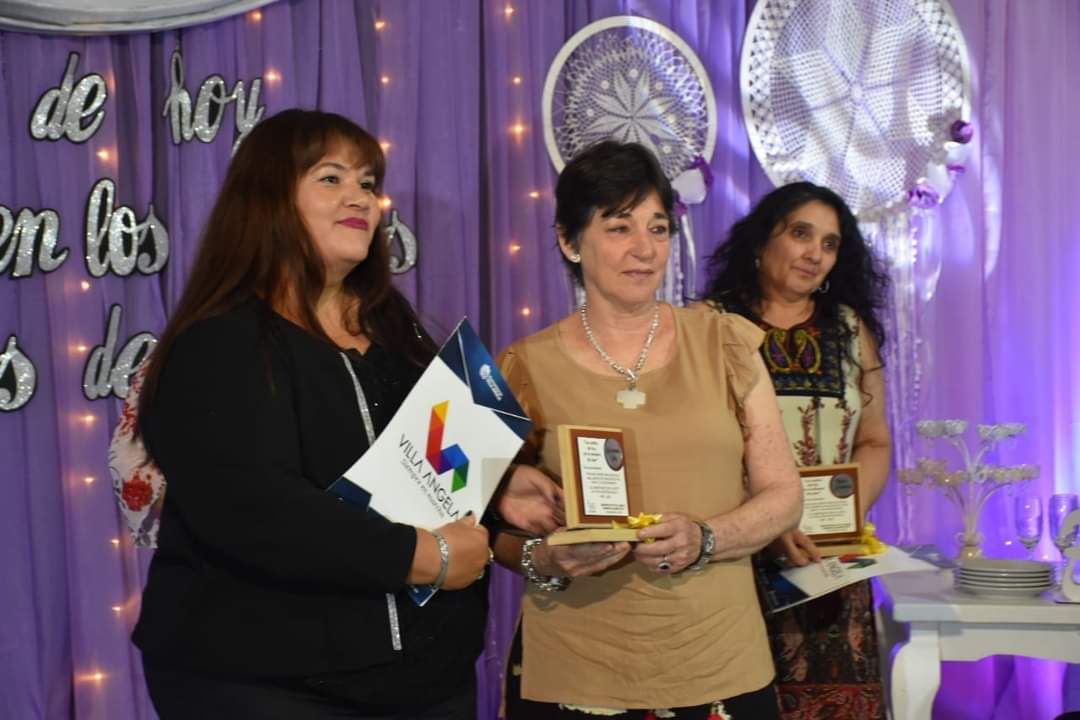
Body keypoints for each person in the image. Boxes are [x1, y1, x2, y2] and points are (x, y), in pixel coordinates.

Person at [128, 108, 559, 719]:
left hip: (427, 681)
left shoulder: (394, 329)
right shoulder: (219, 342)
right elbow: (254, 508)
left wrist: (498, 487)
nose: (360, 197)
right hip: (268, 684)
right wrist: (422, 558)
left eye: (367, 182)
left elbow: (416, 467)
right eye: (331, 178)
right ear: (267, 199)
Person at [494, 140, 803, 719]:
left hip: (719, 662)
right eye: (619, 227)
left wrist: (706, 537)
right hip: (576, 669)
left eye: (657, 228)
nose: (644, 248)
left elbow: (784, 495)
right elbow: (491, 528)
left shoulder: (724, 342)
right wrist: (547, 559)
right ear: (569, 240)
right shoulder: (524, 366)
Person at [702, 181, 892, 720]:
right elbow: (694, 449)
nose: (815, 253)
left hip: (829, 571)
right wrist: (770, 521)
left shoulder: (850, 330)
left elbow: (874, 440)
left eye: (830, 244)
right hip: (733, 562)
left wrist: (840, 518)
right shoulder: (708, 326)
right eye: (801, 234)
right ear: (763, 240)